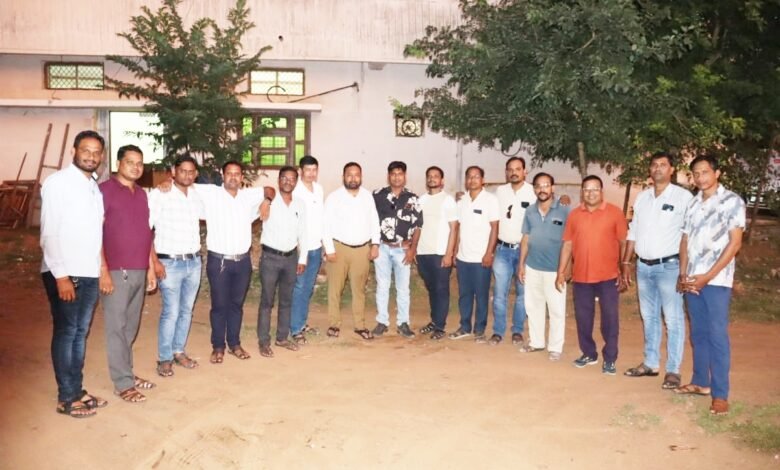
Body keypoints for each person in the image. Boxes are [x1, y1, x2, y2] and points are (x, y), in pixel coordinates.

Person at [40, 130, 108, 418]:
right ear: (73, 151)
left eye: (96, 152)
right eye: (85, 150)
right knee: (67, 333)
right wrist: (61, 275)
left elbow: (96, 234)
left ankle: (77, 390)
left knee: (80, 333)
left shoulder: (93, 187)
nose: (91, 156)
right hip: (66, 272)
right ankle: (66, 398)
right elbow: (49, 233)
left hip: (88, 271)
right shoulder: (58, 183)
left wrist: (101, 269)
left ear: (101, 156)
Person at [675, 155, 745, 416]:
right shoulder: (693, 203)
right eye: (696, 173)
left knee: (717, 336)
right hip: (692, 280)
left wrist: (708, 276)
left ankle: (720, 395)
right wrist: (683, 274)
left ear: (717, 173)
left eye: (705, 172)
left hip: (717, 281)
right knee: (698, 334)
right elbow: (685, 240)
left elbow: (735, 243)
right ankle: (700, 382)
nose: (700, 177)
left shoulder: (732, 202)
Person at [621, 152, 692, 389]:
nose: (658, 168)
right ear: (649, 170)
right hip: (644, 267)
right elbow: (633, 231)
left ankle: (673, 370)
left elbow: (688, 235)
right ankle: (651, 363)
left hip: (669, 267)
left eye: (663, 165)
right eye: (654, 165)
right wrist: (626, 262)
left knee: (673, 319)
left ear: (672, 169)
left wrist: (684, 270)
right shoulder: (642, 197)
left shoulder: (683, 197)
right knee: (649, 316)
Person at [192, 161, 274, 364]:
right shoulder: (211, 193)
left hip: (242, 262)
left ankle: (234, 344)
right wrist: (166, 182)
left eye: (237, 174)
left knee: (237, 305)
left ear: (242, 177)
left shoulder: (248, 196)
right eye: (229, 173)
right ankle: (218, 346)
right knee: (219, 306)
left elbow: (270, 189)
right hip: (219, 261)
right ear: (223, 175)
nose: (233, 177)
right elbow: (183, 184)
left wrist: (267, 201)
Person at [99, 144, 156, 403]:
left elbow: (146, 233)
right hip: (115, 271)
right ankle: (122, 383)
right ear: (118, 164)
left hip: (139, 269)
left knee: (131, 326)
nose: (135, 167)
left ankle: (128, 373)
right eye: (130, 162)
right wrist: (103, 271)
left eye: (139, 163)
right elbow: (95, 233)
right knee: (116, 327)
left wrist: (151, 268)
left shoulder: (142, 194)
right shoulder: (104, 191)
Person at [556, 175, 627, 375]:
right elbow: (568, 244)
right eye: (587, 189)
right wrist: (561, 271)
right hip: (581, 277)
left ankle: (610, 358)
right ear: (582, 192)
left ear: (601, 191)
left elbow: (623, 242)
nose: (591, 193)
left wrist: (624, 268)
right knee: (583, 319)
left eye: (595, 189)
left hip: (608, 277)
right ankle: (589, 353)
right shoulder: (574, 215)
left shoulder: (614, 212)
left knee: (610, 319)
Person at [148, 154, 203, 378]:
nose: (187, 175)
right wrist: (154, 262)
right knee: (171, 311)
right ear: (173, 171)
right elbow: (146, 229)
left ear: (196, 174)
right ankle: (164, 358)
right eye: (183, 171)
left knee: (186, 310)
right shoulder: (160, 194)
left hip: (194, 262)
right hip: (169, 263)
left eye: (191, 172)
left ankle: (178, 351)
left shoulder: (197, 195)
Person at [322, 162, 380, 340]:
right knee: (335, 289)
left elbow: (374, 221)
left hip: (362, 250)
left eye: (356, 175)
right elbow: (325, 224)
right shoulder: (334, 197)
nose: (353, 178)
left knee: (359, 290)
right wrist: (329, 249)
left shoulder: (367, 196)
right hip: (338, 248)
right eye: (349, 175)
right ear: (343, 177)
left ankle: (359, 325)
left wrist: (375, 244)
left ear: (361, 177)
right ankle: (334, 324)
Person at [517, 173, 571, 360]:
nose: (542, 189)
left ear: (553, 188)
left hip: (555, 270)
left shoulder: (564, 211)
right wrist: (521, 265)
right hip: (533, 267)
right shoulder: (530, 211)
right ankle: (536, 342)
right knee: (533, 307)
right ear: (534, 189)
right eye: (538, 186)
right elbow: (525, 238)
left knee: (556, 310)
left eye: (546, 185)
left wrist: (565, 269)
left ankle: (555, 348)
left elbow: (569, 241)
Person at [257, 166, 308, 357]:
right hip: (270, 258)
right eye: (284, 178)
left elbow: (303, 232)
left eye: (292, 178)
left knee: (287, 300)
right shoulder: (268, 201)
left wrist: (302, 259)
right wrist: (265, 201)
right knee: (267, 301)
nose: (288, 182)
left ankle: (282, 338)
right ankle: (264, 341)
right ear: (279, 180)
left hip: (291, 259)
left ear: (296, 181)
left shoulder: (300, 204)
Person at [371, 161, 423, 338]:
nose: (396, 177)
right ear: (388, 176)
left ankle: (403, 323)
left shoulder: (413, 198)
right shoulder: (377, 195)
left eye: (400, 174)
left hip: (403, 249)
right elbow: (370, 220)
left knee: (403, 288)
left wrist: (412, 250)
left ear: (405, 176)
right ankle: (382, 322)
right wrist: (373, 245)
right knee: (382, 286)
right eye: (393, 174)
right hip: (382, 248)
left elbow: (418, 226)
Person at [450, 166, 499, 342]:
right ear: (466, 180)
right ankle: (464, 327)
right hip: (463, 257)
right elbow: (458, 227)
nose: (472, 180)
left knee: (481, 295)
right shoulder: (461, 200)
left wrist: (489, 253)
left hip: (481, 258)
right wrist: (455, 251)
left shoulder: (490, 200)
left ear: (482, 180)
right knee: (464, 294)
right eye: (469, 177)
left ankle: (480, 329)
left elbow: (495, 228)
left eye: (476, 176)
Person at [491, 157, 536, 345]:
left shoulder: (533, 191)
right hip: (502, 249)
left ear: (525, 171)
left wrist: (563, 200)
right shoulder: (500, 192)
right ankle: (498, 331)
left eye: (518, 169)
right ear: (506, 172)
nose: (514, 172)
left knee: (522, 294)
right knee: (499, 294)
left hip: (525, 251)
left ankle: (517, 330)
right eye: (510, 169)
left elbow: (548, 206)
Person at [416, 166, 458, 340]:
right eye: (429, 176)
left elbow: (454, 228)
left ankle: (440, 327)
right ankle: (434, 321)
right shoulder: (421, 200)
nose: (432, 178)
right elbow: (417, 227)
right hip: (422, 253)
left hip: (440, 253)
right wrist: (415, 250)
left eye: (436, 176)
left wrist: (449, 254)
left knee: (441, 290)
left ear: (442, 180)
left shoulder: (448, 200)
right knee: (432, 289)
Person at [290, 155, 324, 345]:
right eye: (307, 170)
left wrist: (325, 244)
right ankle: (295, 328)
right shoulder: (295, 190)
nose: (311, 174)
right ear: (300, 171)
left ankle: (302, 323)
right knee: (300, 287)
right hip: (300, 249)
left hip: (316, 247)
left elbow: (321, 218)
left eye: (314, 170)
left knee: (308, 288)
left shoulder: (318, 189)